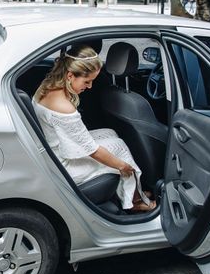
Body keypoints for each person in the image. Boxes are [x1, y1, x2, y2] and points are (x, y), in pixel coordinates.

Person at [32, 45, 156, 213]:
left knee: (111, 133)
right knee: (120, 149)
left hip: (52, 148)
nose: (90, 87)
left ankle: (132, 191)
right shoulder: (64, 107)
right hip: (62, 165)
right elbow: (93, 151)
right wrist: (124, 167)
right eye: (87, 81)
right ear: (70, 75)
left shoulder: (47, 86)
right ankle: (134, 201)